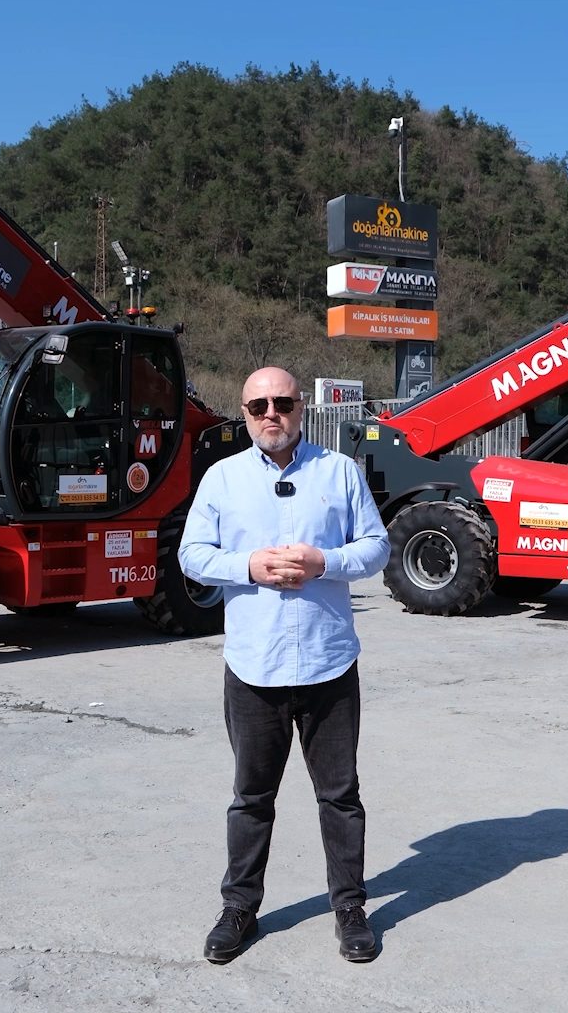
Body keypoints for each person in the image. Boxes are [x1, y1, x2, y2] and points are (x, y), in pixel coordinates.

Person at [179, 366, 389, 964]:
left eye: (283, 403)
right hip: (254, 666)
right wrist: (248, 567)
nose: (271, 414)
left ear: (301, 408)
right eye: (257, 406)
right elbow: (192, 555)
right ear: (243, 413)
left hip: (328, 664)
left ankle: (350, 908)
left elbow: (376, 546)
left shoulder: (339, 471)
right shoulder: (222, 478)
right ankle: (239, 908)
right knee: (251, 797)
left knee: (341, 797)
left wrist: (326, 562)